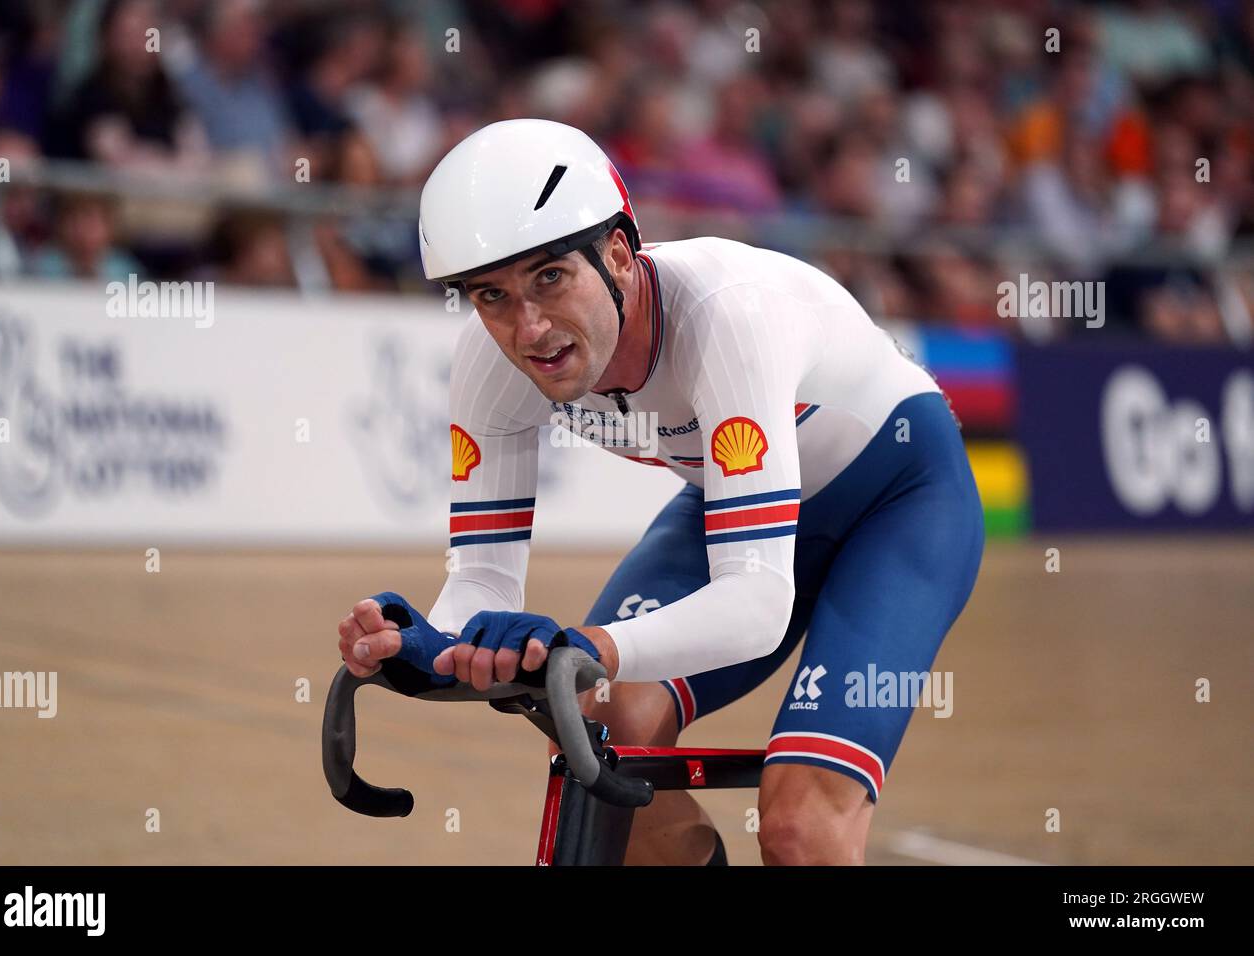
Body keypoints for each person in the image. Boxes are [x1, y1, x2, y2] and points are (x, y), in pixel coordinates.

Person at [336, 119, 984, 865]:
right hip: (738, 497)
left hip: (898, 502)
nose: (531, 328)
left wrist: (592, 644)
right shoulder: (489, 362)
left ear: (618, 253)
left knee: (800, 829)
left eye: (551, 277)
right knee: (594, 724)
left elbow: (758, 603)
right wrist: (429, 646)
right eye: (492, 295)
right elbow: (482, 580)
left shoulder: (727, 318)